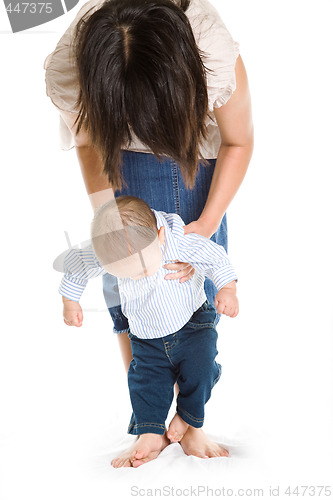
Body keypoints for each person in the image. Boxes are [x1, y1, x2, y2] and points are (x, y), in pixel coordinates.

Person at [44, 0, 253, 462]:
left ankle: (193, 421)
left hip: (193, 167)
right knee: (126, 302)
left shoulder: (210, 48)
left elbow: (239, 140)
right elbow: (88, 144)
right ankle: (150, 423)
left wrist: (205, 226)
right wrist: (108, 223)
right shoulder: (77, 60)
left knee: (194, 304)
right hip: (121, 174)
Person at [60, 196, 239, 467]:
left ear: (160, 236)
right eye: (125, 273)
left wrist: (228, 288)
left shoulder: (177, 238)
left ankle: (188, 416)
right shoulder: (110, 250)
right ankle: (151, 431)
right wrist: (70, 300)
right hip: (146, 336)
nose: (138, 276)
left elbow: (213, 255)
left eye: (142, 268)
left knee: (202, 370)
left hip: (192, 323)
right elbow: (77, 264)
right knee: (145, 383)